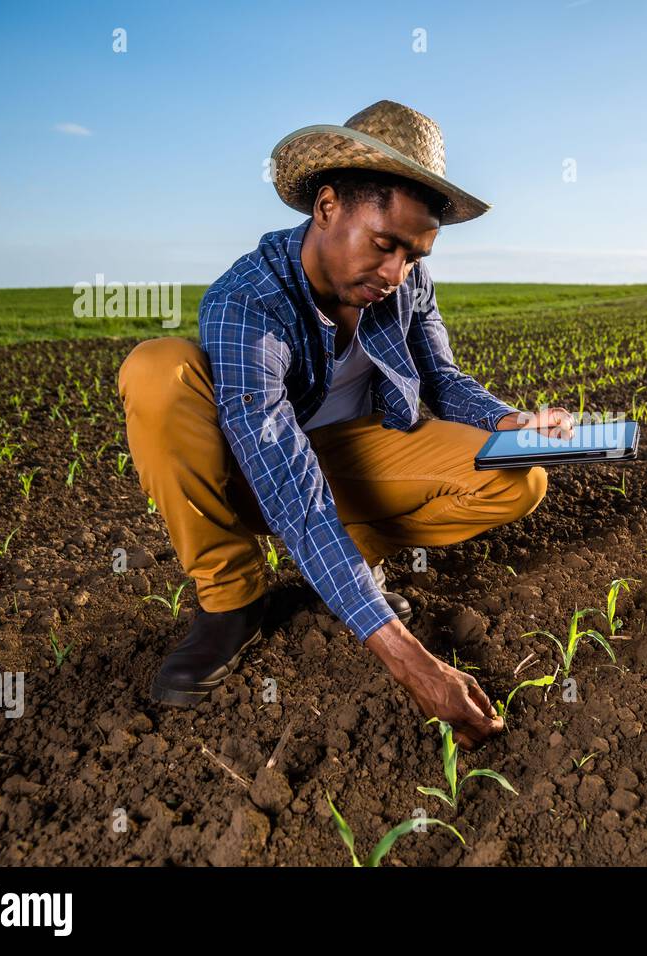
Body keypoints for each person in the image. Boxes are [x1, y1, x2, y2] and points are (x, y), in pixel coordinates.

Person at [118, 100, 574, 749]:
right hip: (250, 471)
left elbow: (440, 378)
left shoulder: (407, 286)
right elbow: (282, 471)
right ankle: (232, 600)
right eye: (385, 246)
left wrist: (512, 420)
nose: (396, 274)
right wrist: (408, 657)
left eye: (414, 256)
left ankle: (350, 563)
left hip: (347, 459)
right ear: (327, 207)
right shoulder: (249, 298)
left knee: (515, 476)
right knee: (156, 368)